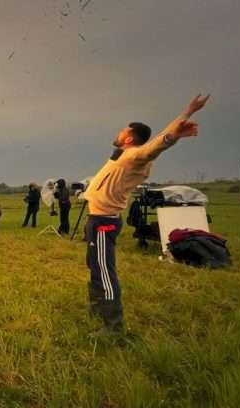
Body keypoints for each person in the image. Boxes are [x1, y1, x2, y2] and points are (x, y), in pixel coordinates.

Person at [83, 94, 210, 336]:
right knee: (94, 264)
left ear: (129, 138)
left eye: (122, 132)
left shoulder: (134, 157)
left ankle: (113, 325)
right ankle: (97, 308)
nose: (118, 133)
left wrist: (186, 114)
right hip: (97, 219)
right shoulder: (121, 156)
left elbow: (155, 147)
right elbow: (124, 150)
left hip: (103, 222)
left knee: (104, 270)